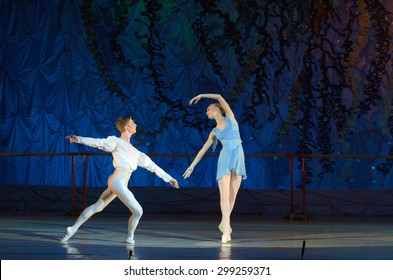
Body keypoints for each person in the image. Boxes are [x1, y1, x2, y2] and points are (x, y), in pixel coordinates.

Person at [61, 116, 179, 245]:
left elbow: (153, 167)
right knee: (138, 211)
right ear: (127, 127)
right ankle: (130, 238)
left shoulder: (136, 152)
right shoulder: (115, 141)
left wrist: (170, 179)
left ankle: (71, 230)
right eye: (133, 122)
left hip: (118, 181)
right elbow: (98, 142)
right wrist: (78, 139)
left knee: (98, 207)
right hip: (118, 180)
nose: (136, 124)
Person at [183, 93, 246, 244]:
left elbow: (218, 96)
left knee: (232, 196)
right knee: (224, 196)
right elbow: (203, 150)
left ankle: (224, 223)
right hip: (224, 160)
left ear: (217, 110)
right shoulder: (214, 131)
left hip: (238, 158)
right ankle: (226, 229)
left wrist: (201, 95)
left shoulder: (231, 117)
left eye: (208, 109)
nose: (207, 112)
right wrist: (191, 166)